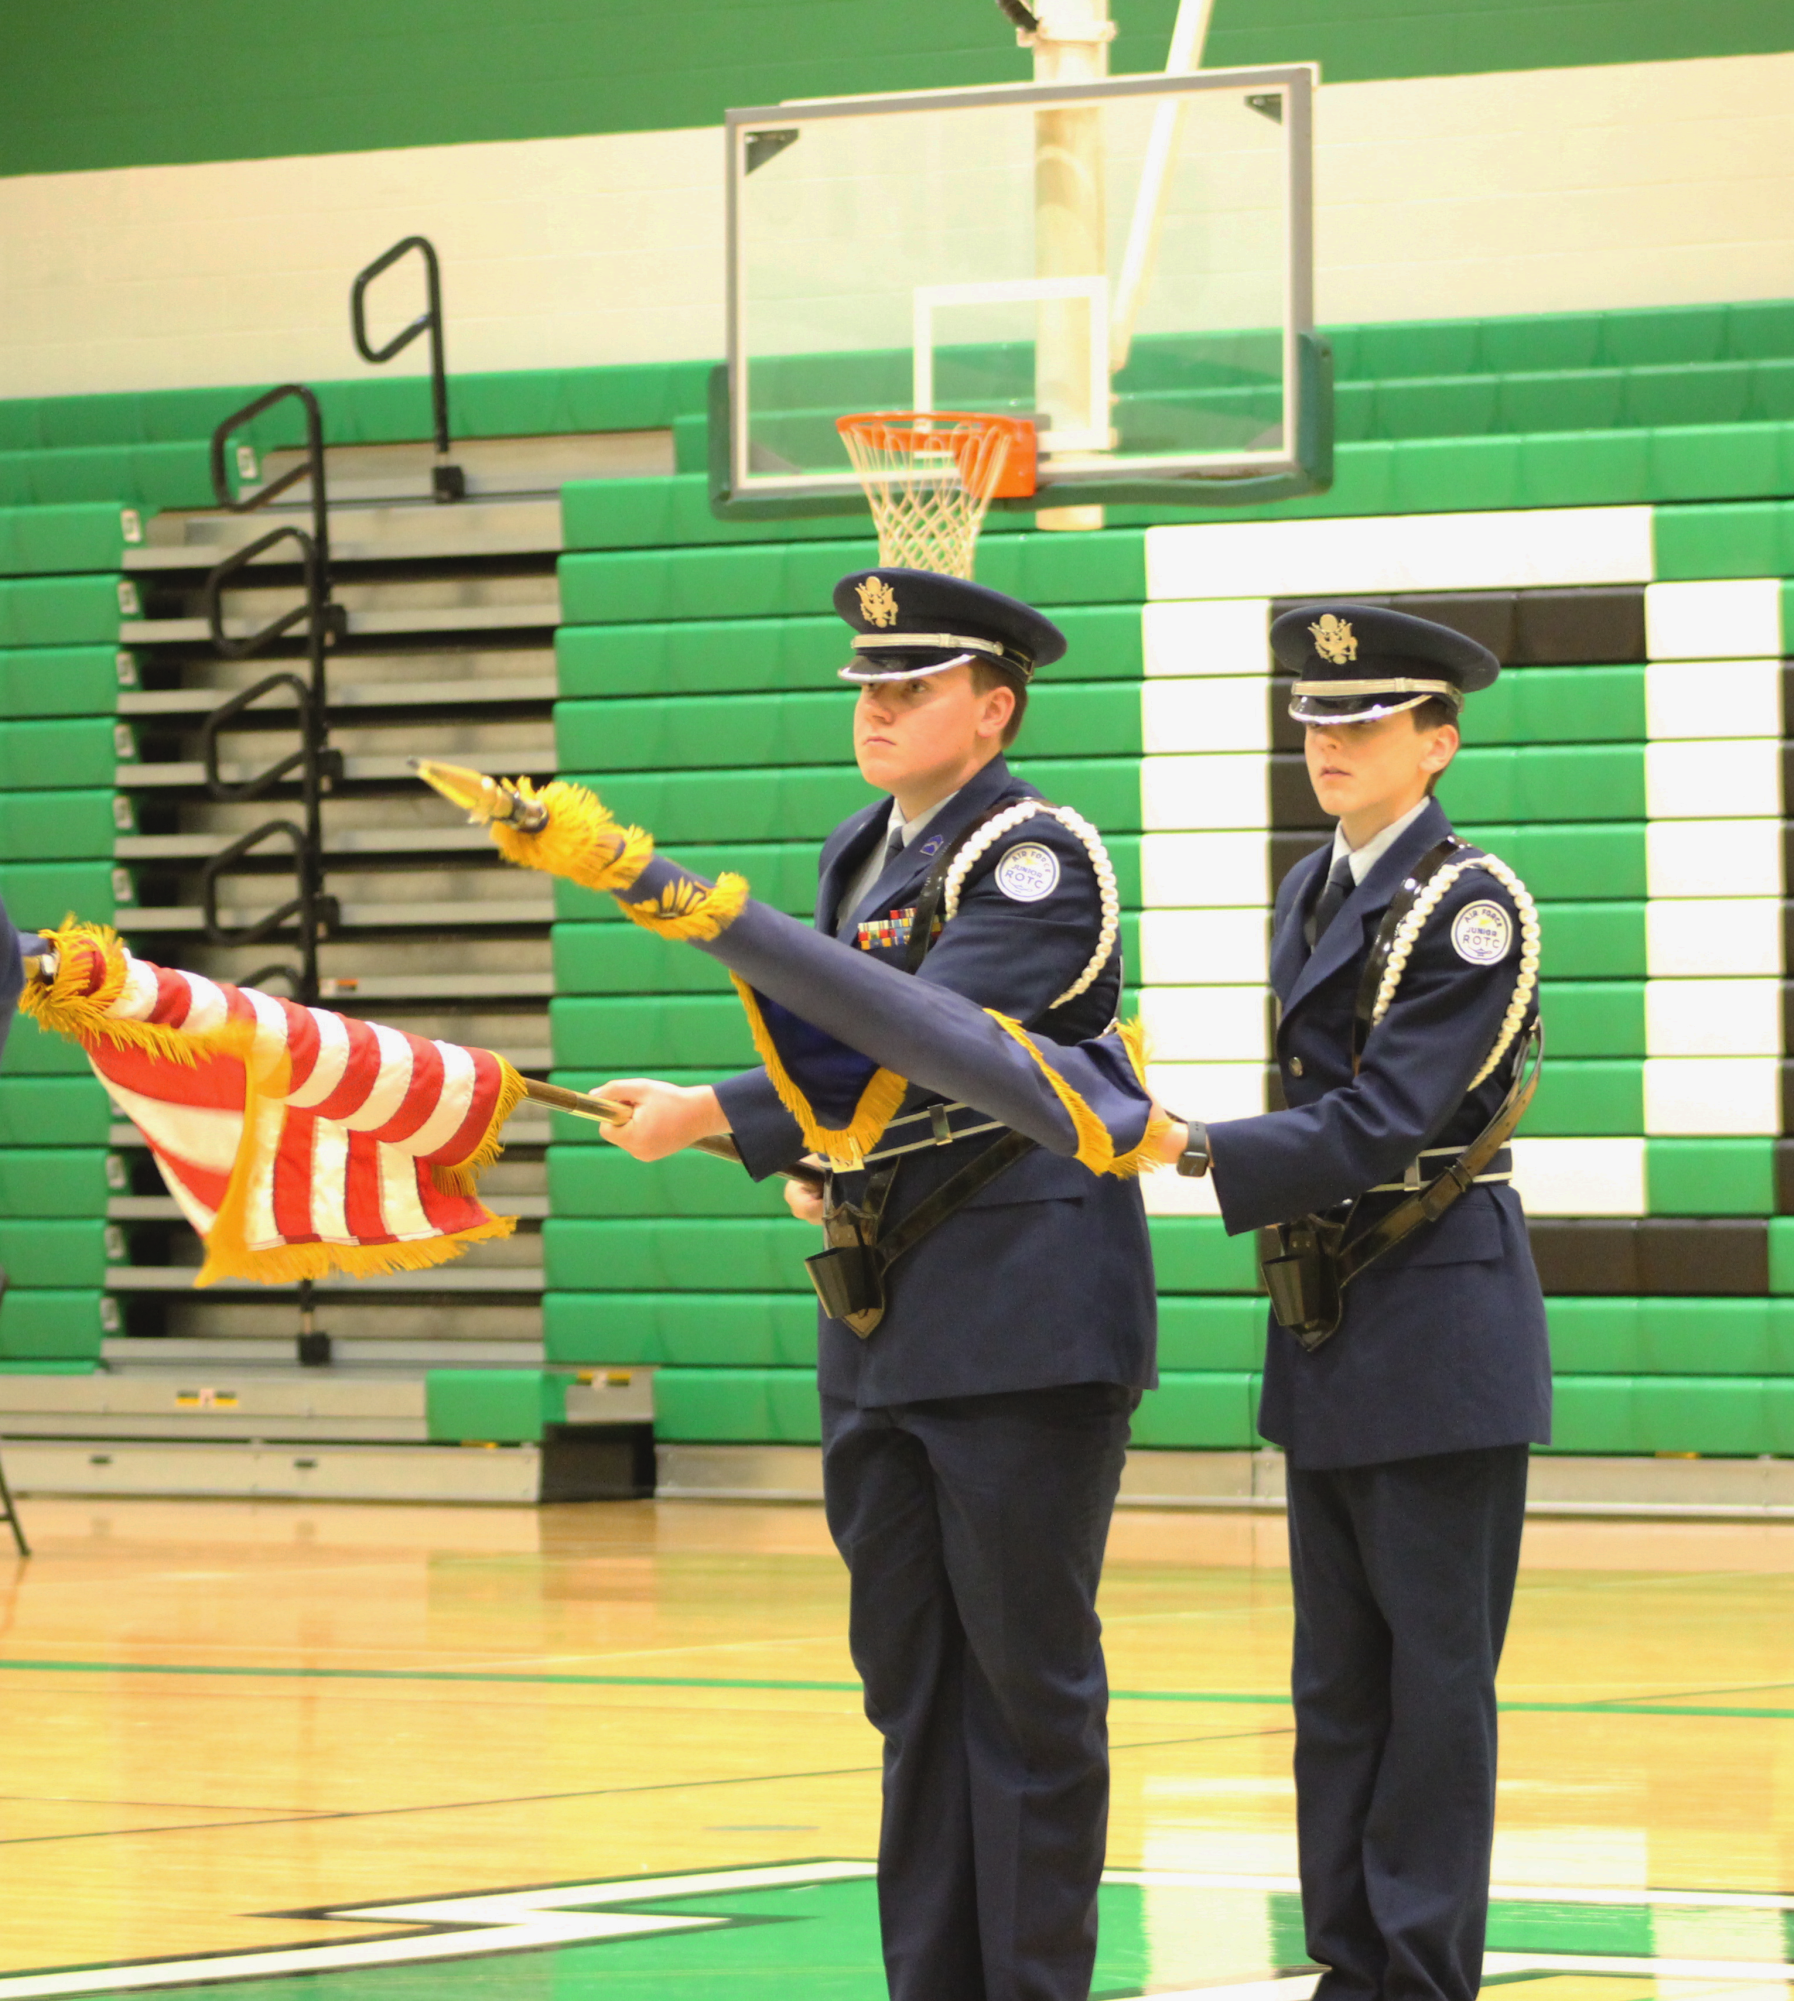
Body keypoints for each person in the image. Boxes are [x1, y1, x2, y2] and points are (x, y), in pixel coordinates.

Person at [596, 566, 1157, 2001]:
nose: (878, 708)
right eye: (866, 685)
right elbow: (840, 1079)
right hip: (885, 1317)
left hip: (1021, 1321)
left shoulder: (1037, 857)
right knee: (910, 1688)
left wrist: (706, 1116)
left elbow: (917, 1037)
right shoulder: (864, 846)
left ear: (993, 709)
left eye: (910, 688)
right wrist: (790, 1145)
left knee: (1026, 1697)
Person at [1155, 603, 1551, 2001]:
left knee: (1433, 1685)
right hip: (1328, 1315)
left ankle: (1419, 1971)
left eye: (1364, 720)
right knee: (1335, 1682)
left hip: (1436, 1311)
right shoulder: (1308, 885)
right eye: (1316, 717)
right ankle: (1351, 1959)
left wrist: (1197, 1149)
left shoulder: (1469, 905)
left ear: (1435, 743)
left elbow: (1386, 1118)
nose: (1328, 740)